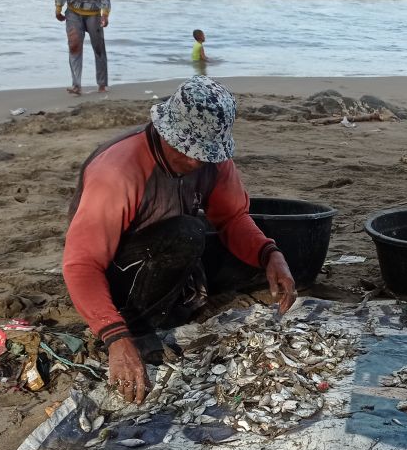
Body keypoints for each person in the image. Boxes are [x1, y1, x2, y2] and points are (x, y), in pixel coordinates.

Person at [63, 76, 296, 404]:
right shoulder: (118, 172)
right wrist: (115, 336)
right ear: (165, 131)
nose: (197, 161)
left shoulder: (212, 163)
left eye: (205, 153)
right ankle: (137, 326)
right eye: (189, 151)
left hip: (164, 250)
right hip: (116, 273)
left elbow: (232, 218)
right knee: (189, 231)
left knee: (243, 253)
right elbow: (81, 264)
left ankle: (179, 299)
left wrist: (269, 253)